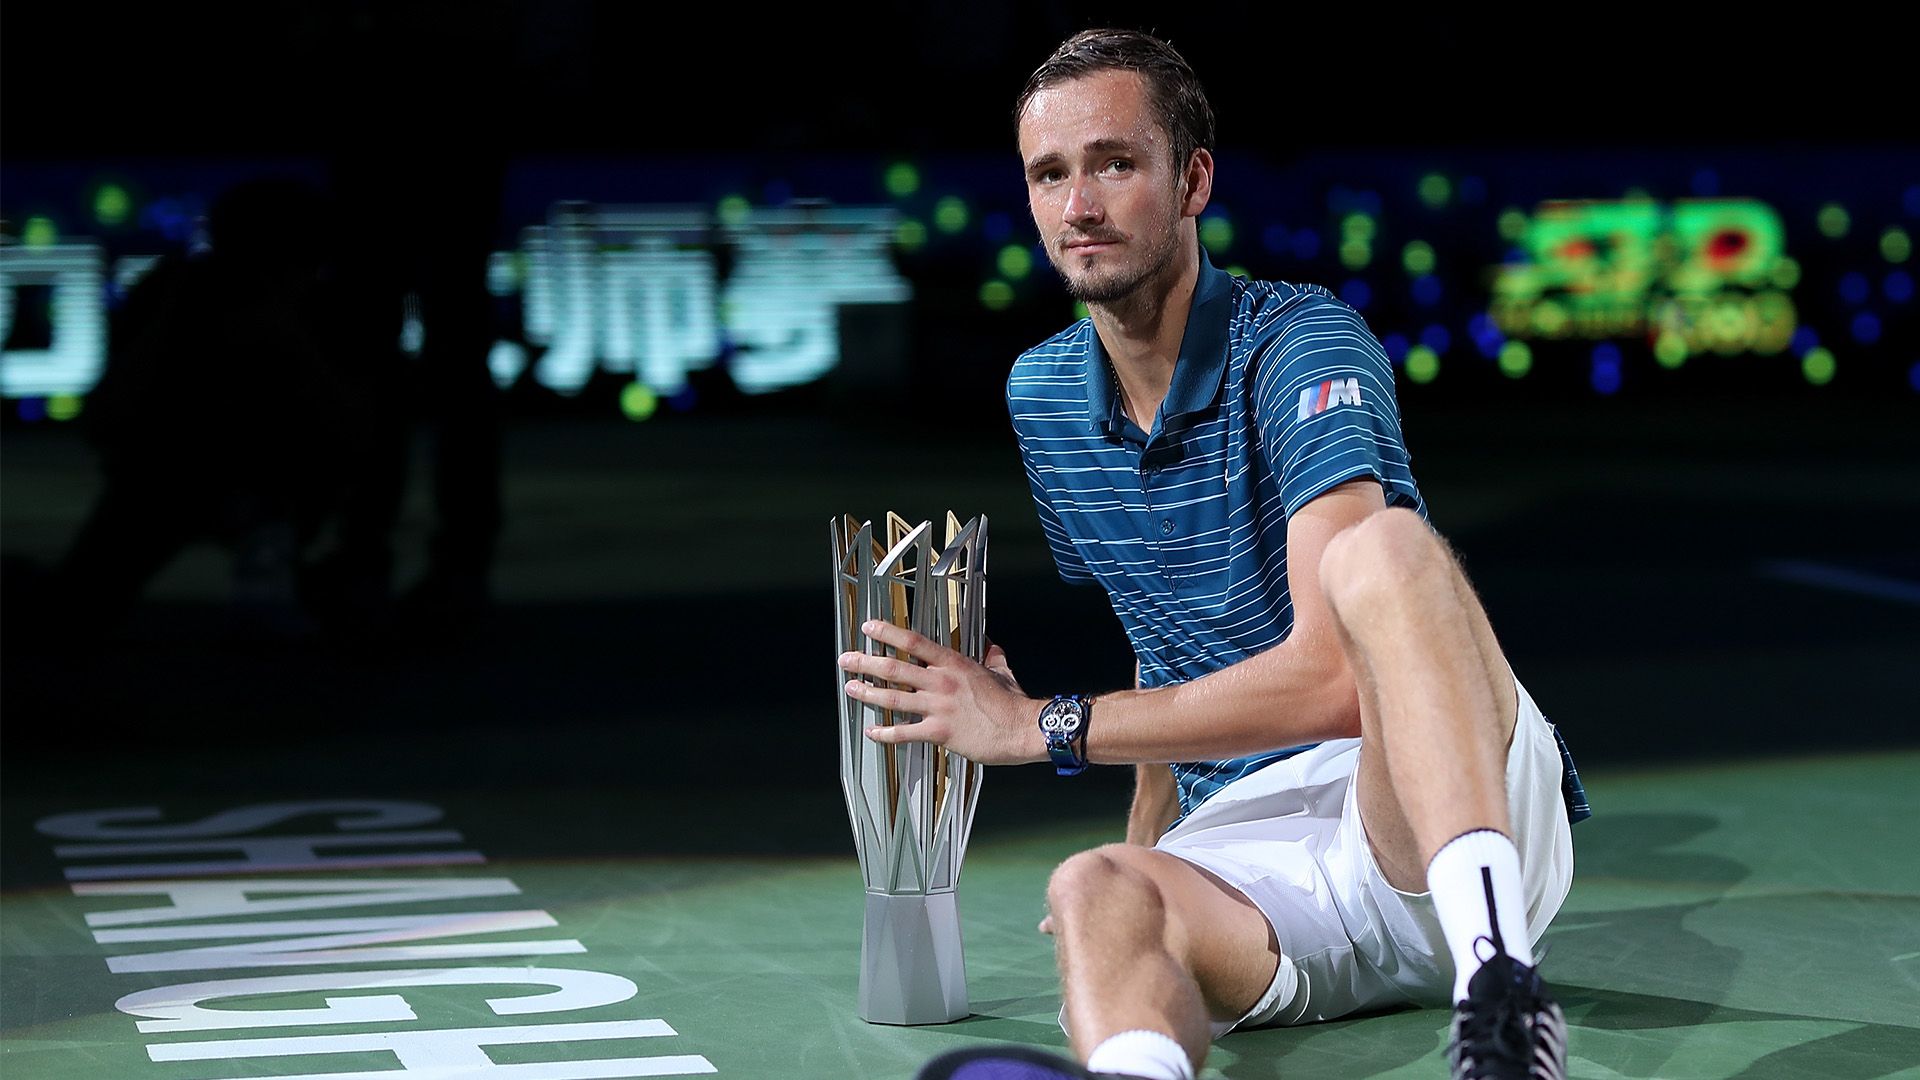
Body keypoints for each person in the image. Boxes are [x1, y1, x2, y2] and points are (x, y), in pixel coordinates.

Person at [834, 27, 1589, 1080]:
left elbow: (1336, 683)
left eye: (1114, 163)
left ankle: (1502, 991)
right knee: (1092, 887)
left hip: (1426, 806)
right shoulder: (1042, 394)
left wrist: (1038, 726)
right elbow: (1164, 650)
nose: (1079, 206)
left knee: (1386, 552)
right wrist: (1139, 889)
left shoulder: (1303, 342)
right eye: (1050, 174)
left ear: (1192, 180)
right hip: (1257, 847)